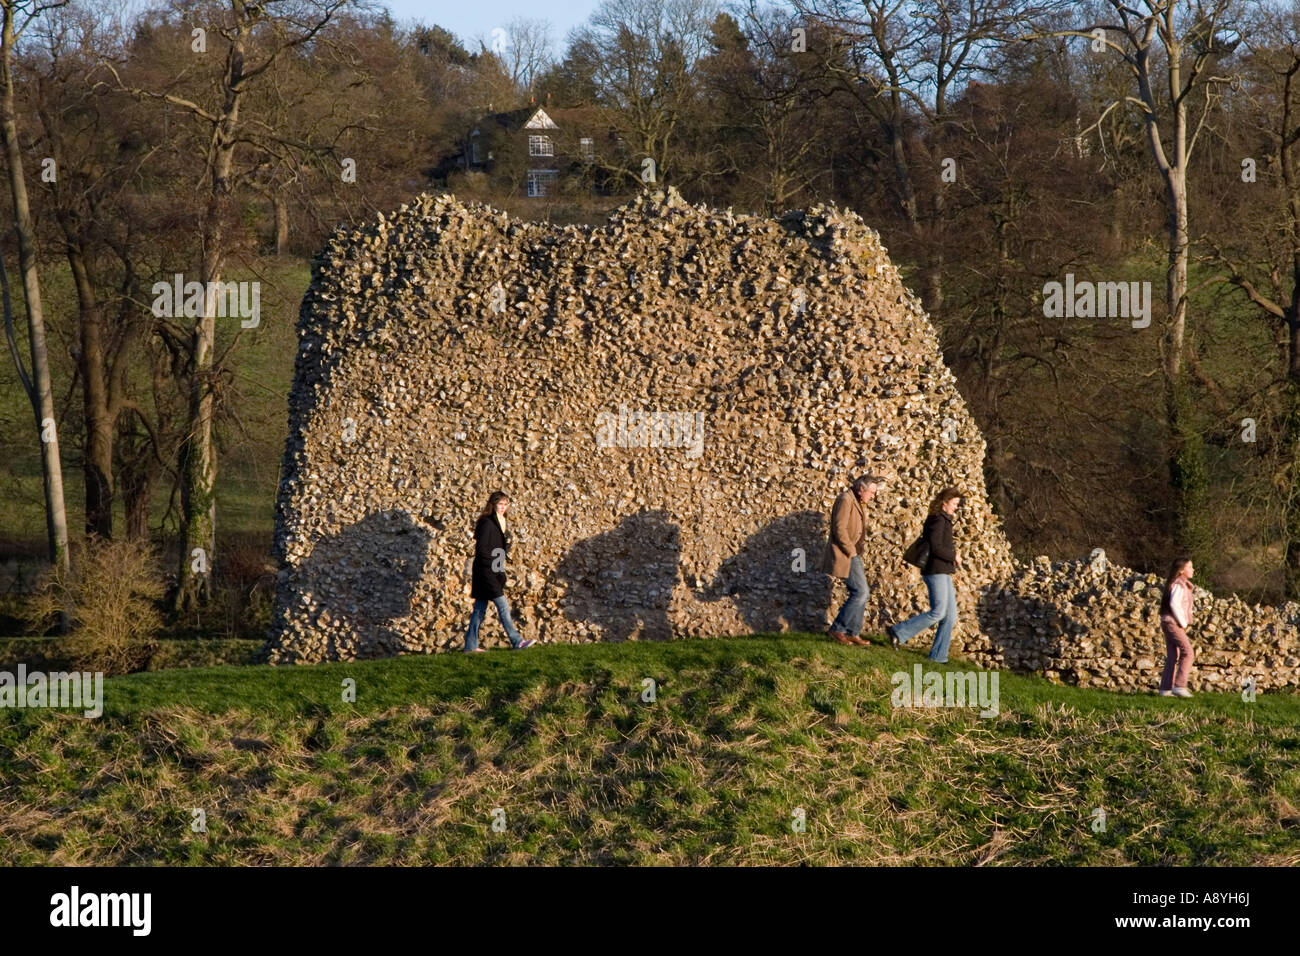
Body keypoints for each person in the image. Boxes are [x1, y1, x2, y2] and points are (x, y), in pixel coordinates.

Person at [885, 487, 963, 663]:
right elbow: (936, 547)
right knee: (938, 612)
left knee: (950, 616)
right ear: (944, 503)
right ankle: (898, 631)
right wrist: (954, 556)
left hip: (943, 571)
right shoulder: (937, 520)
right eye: (954, 504)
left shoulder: (945, 520)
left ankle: (938, 657)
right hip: (935, 571)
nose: (956, 508)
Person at [464, 491, 536, 653]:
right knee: (503, 605)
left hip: (491, 571)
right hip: (485, 572)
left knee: (479, 610)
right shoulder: (487, 523)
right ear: (493, 504)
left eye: (505, 504)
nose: (503, 507)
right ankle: (516, 641)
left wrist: (500, 572)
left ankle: (470, 646)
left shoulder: (500, 522)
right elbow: (482, 550)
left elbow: (498, 551)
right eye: (500, 504)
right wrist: (493, 571)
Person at [822, 474, 886, 647]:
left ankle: (852, 632)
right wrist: (850, 551)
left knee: (861, 592)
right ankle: (838, 629)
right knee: (861, 592)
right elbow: (839, 528)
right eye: (871, 492)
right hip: (847, 554)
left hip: (853, 553)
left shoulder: (856, 501)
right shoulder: (845, 499)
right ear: (861, 489)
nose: (873, 496)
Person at [1158, 556, 1196, 698]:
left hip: (1167, 621)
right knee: (1188, 652)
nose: (1192, 570)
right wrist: (1183, 622)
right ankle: (1179, 686)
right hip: (1173, 623)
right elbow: (1175, 604)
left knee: (1173, 655)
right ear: (1181, 570)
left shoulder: (1175, 583)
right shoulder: (1179, 584)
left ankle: (1165, 689)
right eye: (1189, 567)